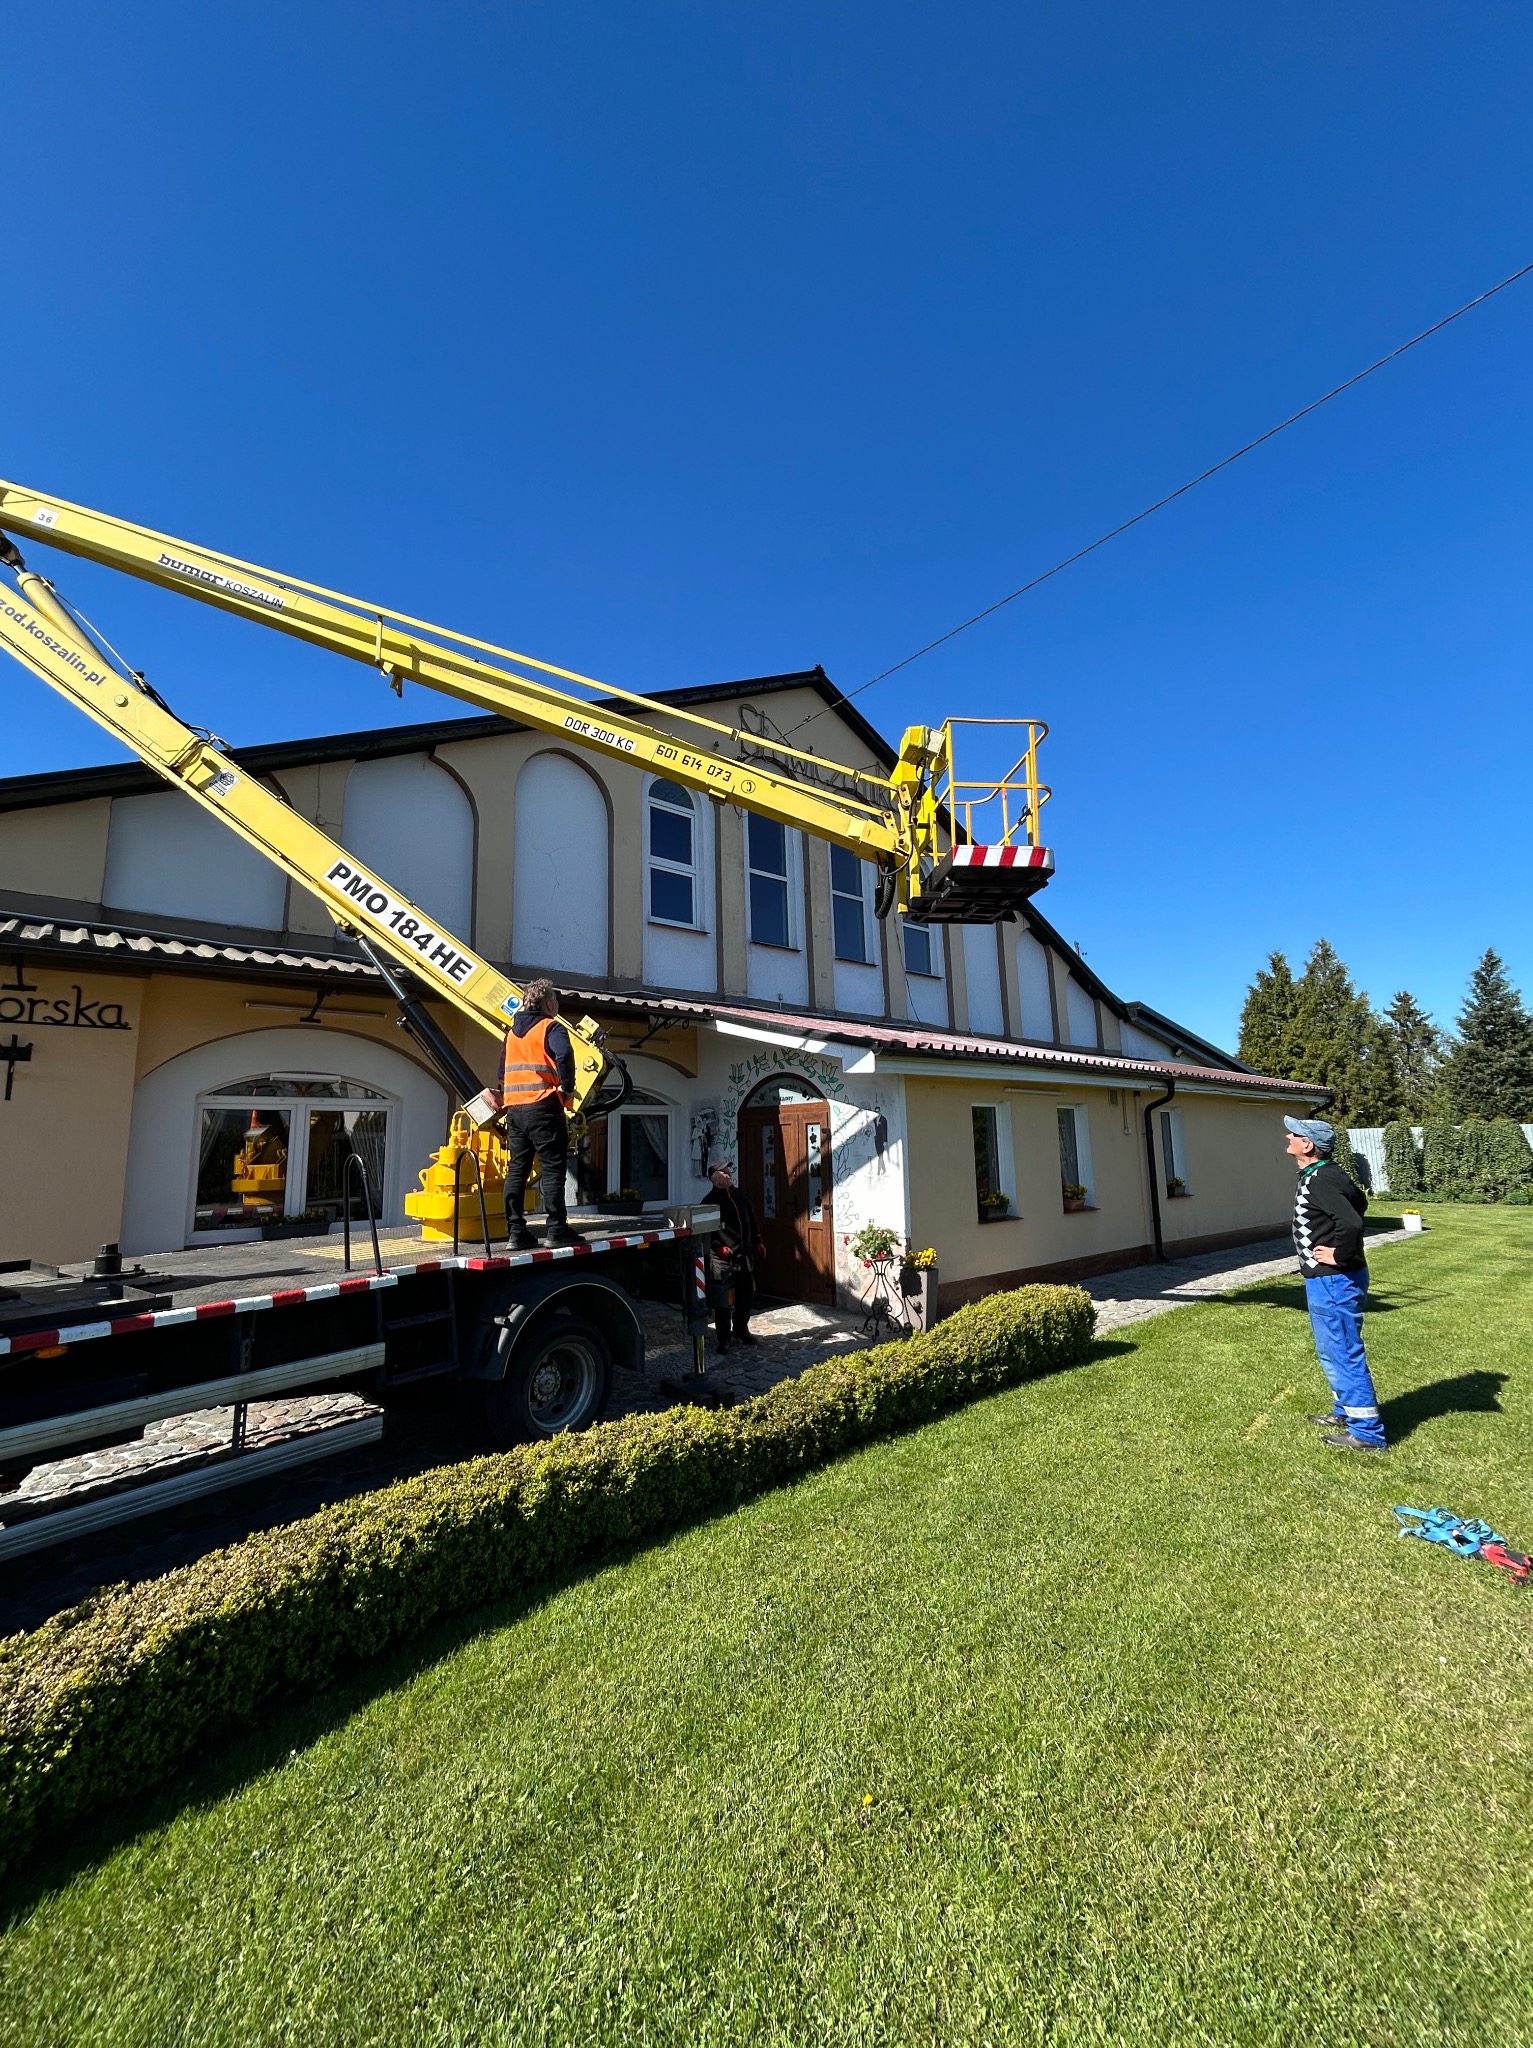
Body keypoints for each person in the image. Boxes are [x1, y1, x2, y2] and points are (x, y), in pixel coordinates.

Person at [1284, 1114, 1384, 1453]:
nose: (1288, 1137)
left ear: (1307, 1145)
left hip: (1334, 1280)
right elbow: (1361, 1202)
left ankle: (1368, 1434)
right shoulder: (1325, 1174)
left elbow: (1353, 1220)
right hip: (1328, 1280)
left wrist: (1339, 1254)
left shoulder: (1321, 1179)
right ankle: (1345, 1411)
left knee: (1343, 1352)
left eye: (1294, 1134)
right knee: (1333, 1352)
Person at [497, 978, 581, 1249]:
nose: (557, 1004)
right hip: (544, 1106)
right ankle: (556, 1230)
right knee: (553, 1170)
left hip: (515, 1110)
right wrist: (567, 1088)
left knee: (517, 1169)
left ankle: (515, 1232)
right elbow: (565, 1054)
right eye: (556, 999)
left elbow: (502, 1072)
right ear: (548, 1003)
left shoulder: (511, 1033)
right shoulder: (551, 1026)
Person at [703, 1156, 766, 1352]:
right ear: (714, 1178)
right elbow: (706, 1231)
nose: (729, 1174)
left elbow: (752, 1219)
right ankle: (724, 1338)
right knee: (723, 1301)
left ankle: (741, 1329)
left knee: (746, 1295)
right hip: (721, 1258)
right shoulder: (709, 1201)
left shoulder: (740, 1195)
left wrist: (757, 1241)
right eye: (724, 1172)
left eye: (729, 1171)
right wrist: (717, 1247)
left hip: (744, 1254)